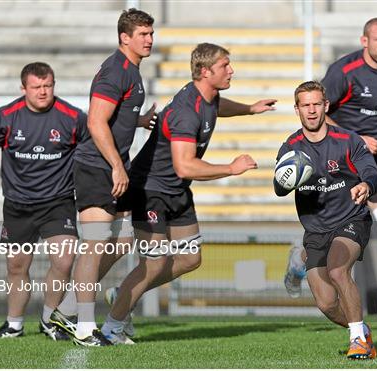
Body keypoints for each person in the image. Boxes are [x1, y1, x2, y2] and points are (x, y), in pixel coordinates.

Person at [100, 43, 277, 344]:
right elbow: (184, 166)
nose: (231, 70)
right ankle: (112, 328)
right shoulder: (186, 113)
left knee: (191, 259)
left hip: (176, 191)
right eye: (225, 66)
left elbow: (217, 106)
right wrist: (231, 168)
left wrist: (249, 109)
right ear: (206, 72)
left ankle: (124, 294)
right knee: (154, 263)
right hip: (151, 189)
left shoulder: (207, 96)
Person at [284, 18, 377, 337]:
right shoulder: (343, 72)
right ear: (364, 42)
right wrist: (356, 136)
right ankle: (300, 258)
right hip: (343, 164)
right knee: (331, 241)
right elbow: (319, 112)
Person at [49, 9, 156, 347]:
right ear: (125, 37)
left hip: (113, 165)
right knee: (94, 245)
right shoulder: (116, 71)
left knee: (123, 242)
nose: (149, 39)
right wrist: (117, 165)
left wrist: (138, 122)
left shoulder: (132, 72)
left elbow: (114, 117)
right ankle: (83, 326)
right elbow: (96, 122)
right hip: (97, 167)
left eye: (151, 33)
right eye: (142, 34)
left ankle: (66, 308)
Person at [0, 62, 87, 341]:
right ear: (24, 89)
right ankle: (14, 324)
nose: (43, 92)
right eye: (37, 87)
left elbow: (97, 144)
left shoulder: (71, 117)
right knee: (17, 266)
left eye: (48, 86)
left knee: (64, 260)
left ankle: (49, 320)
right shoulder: (7, 117)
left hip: (58, 203)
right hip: (19, 206)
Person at [276, 81, 377, 359]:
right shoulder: (291, 147)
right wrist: (290, 177)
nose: (311, 111)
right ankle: (361, 332)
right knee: (326, 304)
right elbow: (278, 188)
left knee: (337, 270)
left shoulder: (348, 140)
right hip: (316, 230)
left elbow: (372, 172)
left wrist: (366, 185)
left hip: (351, 219)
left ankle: (357, 340)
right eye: (305, 105)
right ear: (297, 109)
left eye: (316, 104)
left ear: (326, 106)